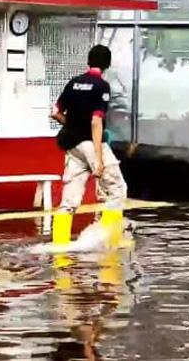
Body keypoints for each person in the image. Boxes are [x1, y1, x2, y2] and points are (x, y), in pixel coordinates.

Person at [50, 45, 127, 248]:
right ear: (107, 64)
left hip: (72, 145)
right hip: (91, 144)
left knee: (69, 201)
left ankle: (59, 246)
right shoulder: (101, 86)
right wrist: (99, 160)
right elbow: (96, 122)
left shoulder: (73, 83)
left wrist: (73, 125)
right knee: (117, 190)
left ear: (89, 61)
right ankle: (108, 241)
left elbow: (55, 112)